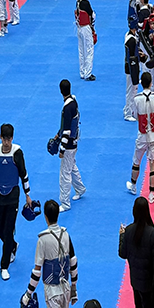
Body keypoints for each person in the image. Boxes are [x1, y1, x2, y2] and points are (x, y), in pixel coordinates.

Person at [0, 122, 32, 281]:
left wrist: (27, 195)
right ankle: (13, 245)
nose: (6, 142)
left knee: (7, 231)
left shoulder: (17, 153)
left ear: (12, 138)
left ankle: (4, 266)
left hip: (13, 195)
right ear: (0, 137)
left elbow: (23, 174)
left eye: (9, 139)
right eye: (4, 139)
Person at [128, 70, 154, 202]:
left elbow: (134, 115)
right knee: (153, 164)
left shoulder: (137, 99)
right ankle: (151, 193)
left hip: (142, 136)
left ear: (141, 83)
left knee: (136, 161)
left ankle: (133, 186)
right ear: (151, 83)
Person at [57, 79, 86, 212]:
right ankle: (80, 188)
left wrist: (62, 149)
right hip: (74, 141)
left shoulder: (67, 108)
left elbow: (67, 130)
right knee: (72, 167)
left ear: (60, 91)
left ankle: (65, 203)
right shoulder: (73, 102)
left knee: (65, 173)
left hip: (69, 145)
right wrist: (58, 134)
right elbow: (68, 125)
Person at [75, 0, 96, 81]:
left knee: (81, 50)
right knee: (89, 49)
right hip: (86, 27)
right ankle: (88, 73)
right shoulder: (85, 2)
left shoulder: (77, 1)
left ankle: (82, 71)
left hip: (79, 27)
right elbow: (92, 15)